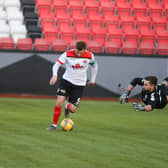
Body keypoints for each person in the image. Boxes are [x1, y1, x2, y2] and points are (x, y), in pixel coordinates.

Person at [47, 41, 98, 130]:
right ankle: (54, 125)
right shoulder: (67, 54)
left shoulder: (90, 56)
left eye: (80, 52)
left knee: (73, 109)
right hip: (66, 81)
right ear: (74, 48)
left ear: (85, 50)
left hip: (79, 84)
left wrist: (93, 80)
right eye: (77, 51)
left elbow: (95, 66)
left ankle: (67, 107)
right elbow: (57, 64)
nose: (78, 54)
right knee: (59, 102)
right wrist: (54, 75)